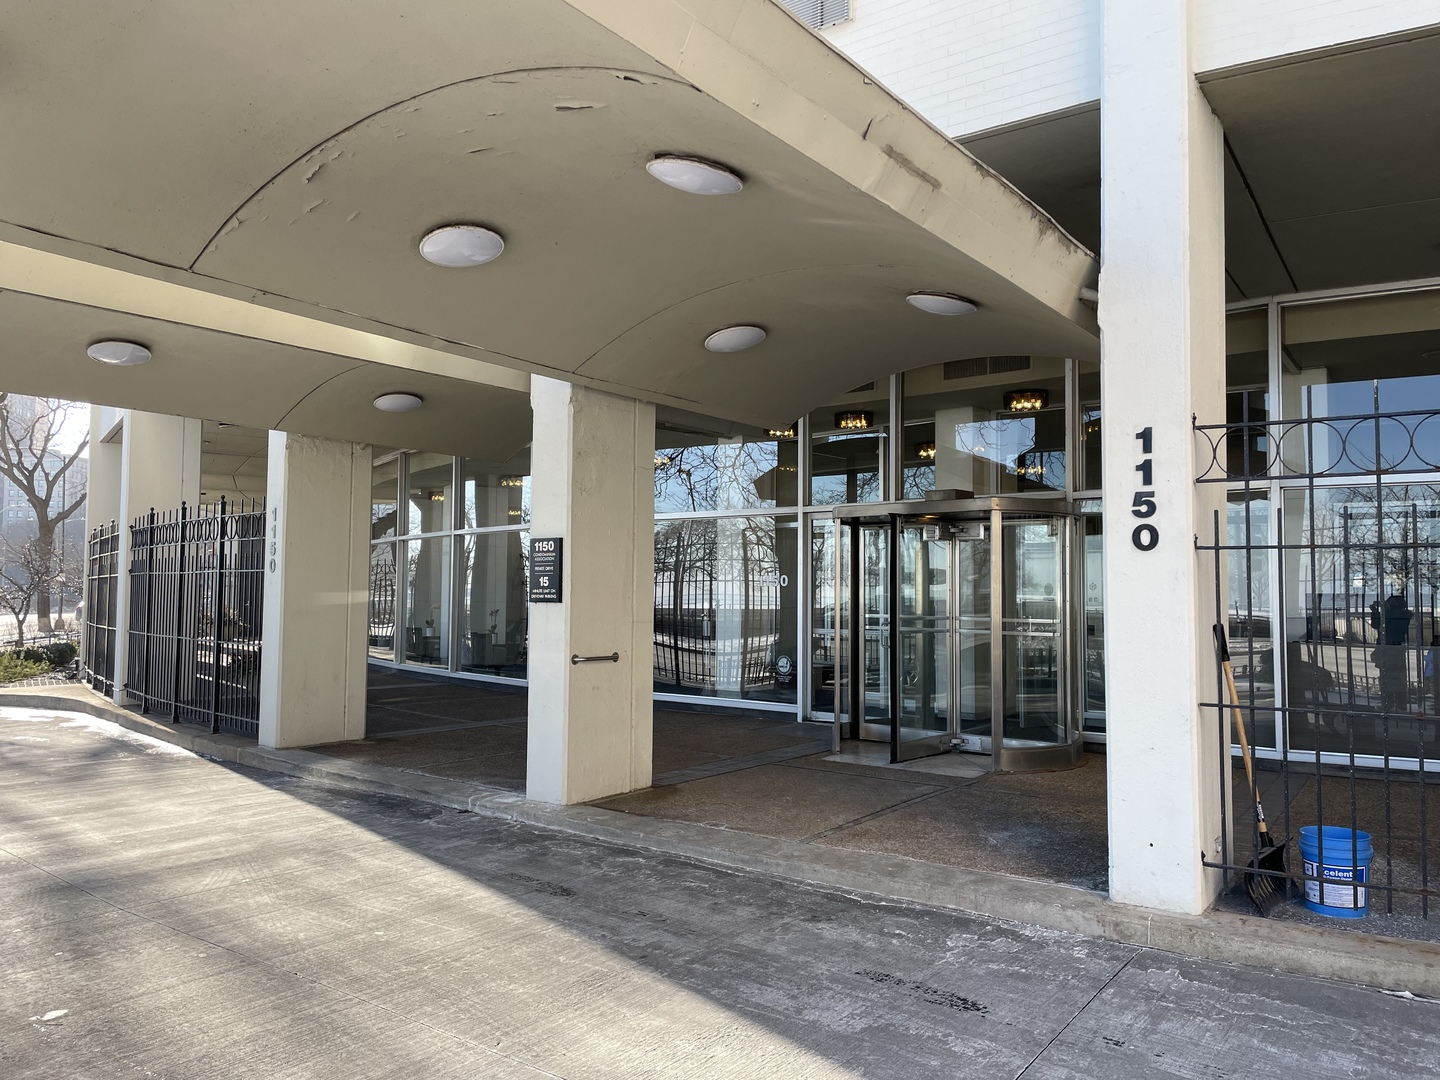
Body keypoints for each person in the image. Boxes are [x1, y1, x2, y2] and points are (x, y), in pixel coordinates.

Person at [1370, 589, 1413, 711]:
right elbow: (1376, 624)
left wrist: (1382, 610)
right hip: (1387, 650)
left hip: (1393, 650)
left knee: (1394, 679)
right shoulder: (1392, 615)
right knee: (1386, 678)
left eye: (1389, 603)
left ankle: (1399, 704)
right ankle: (1390, 703)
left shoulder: (1401, 615)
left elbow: (1388, 625)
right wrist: (1375, 611)